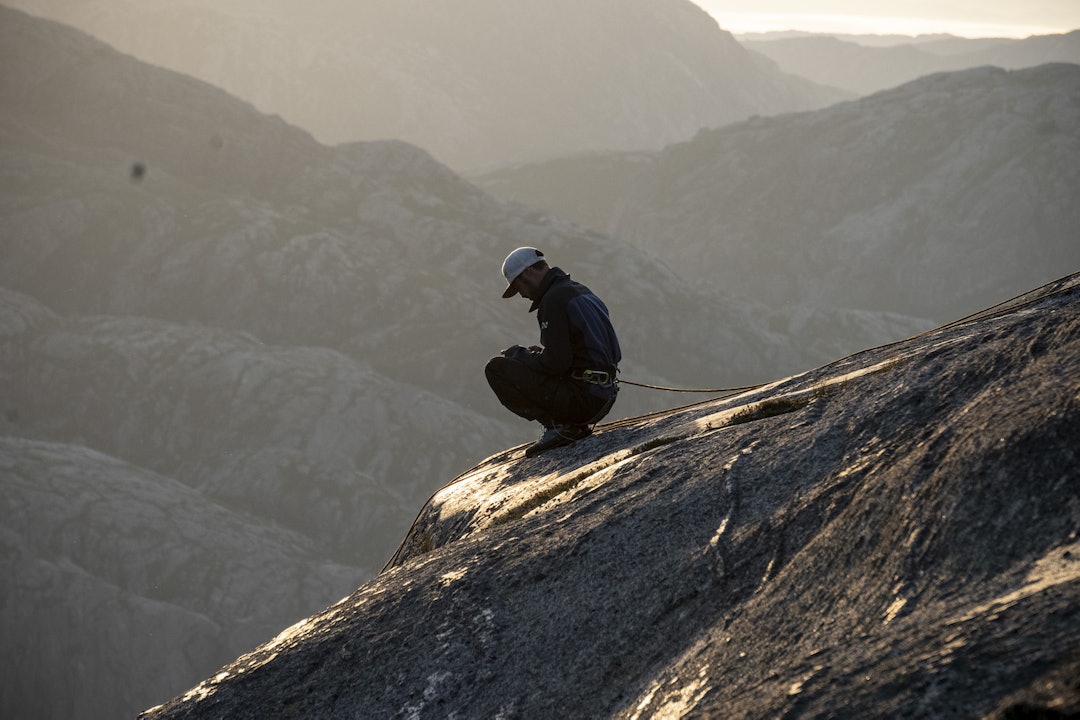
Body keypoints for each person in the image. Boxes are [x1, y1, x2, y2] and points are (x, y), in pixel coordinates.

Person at [485, 247, 621, 457]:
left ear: (529, 272)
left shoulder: (553, 300)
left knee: (496, 369)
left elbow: (555, 363)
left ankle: (559, 427)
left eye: (518, 285)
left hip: (583, 399)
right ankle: (570, 426)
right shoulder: (579, 290)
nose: (521, 294)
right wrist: (540, 354)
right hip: (605, 394)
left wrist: (519, 355)